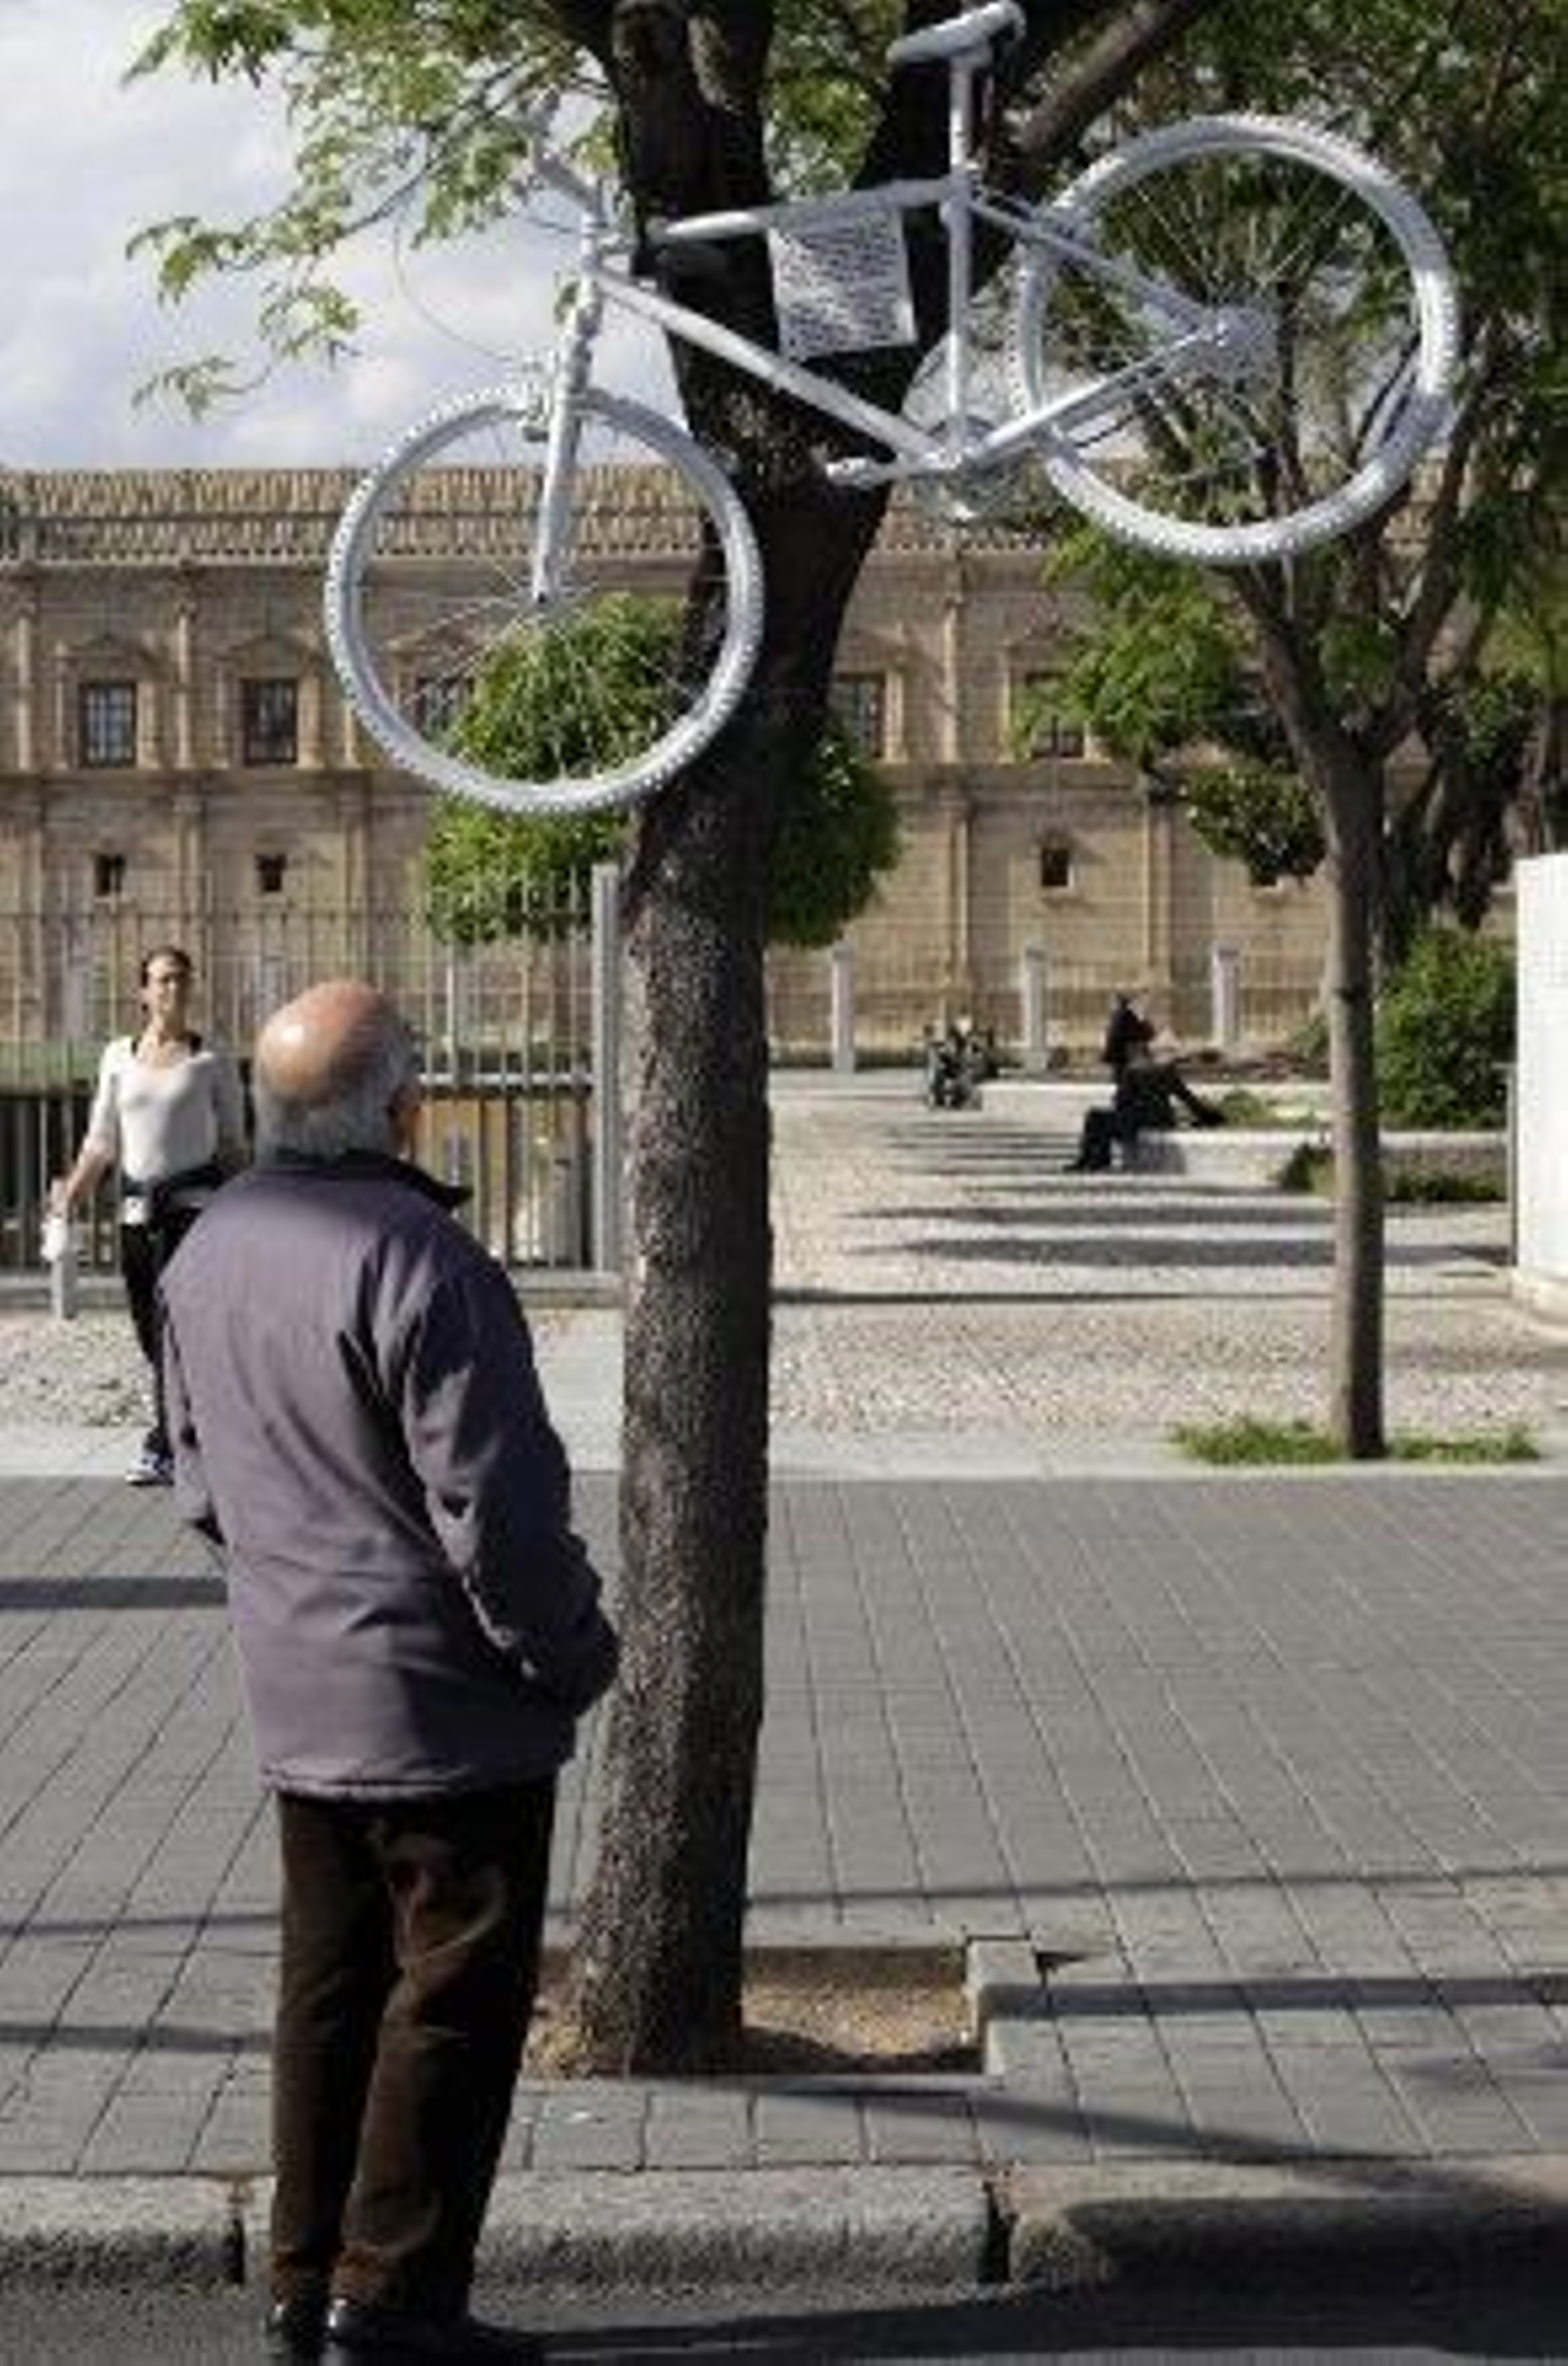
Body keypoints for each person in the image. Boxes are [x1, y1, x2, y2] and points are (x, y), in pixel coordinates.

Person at [159, 980, 618, 2365]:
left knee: (328, 1986)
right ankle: (396, 2294)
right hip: (445, 1699)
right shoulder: (423, 1255)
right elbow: (500, 1505)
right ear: (405, 1106)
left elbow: (195, 1474)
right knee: (455, 1995)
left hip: (295, 1683)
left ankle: (303, 2280)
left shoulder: (208, 1248)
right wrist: (570, 1649)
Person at [51, 945, 246, 1486]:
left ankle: (165, 1442)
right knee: (146, 1325)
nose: (172, 990)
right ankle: (190, 1430)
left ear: (192, 986)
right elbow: (101, 1141)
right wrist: (72, 1190)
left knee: (179, 1325)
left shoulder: (212, 1058)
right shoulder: (118, 1055)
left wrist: (254, 1199)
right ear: (142, 992)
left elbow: (232, 1144)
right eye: (160, 981)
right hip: (138, 1209)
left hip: (197, 1208)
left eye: (180, 979)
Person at [1064, 1039, 1224, 1172]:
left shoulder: (1131, 1073)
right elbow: (1188, 1098)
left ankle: (1091, 1159)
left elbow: (1121, 1102)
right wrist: (1209, 1116)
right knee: (1101, 1119)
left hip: (1137, 1122)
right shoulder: (1166, 1071)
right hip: (1163, 1120)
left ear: (1132, 1056)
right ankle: (1098, 1159)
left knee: (1095, 1117)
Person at [1101, 989, 1156, 1080]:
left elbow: (1118, 1035)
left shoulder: (1121, 1015)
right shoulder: (1123, 1015)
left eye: (1112, 1002)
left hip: (1122, 1055)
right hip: (1123, 1055)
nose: (1110, 1004)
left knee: (1122, 1079)